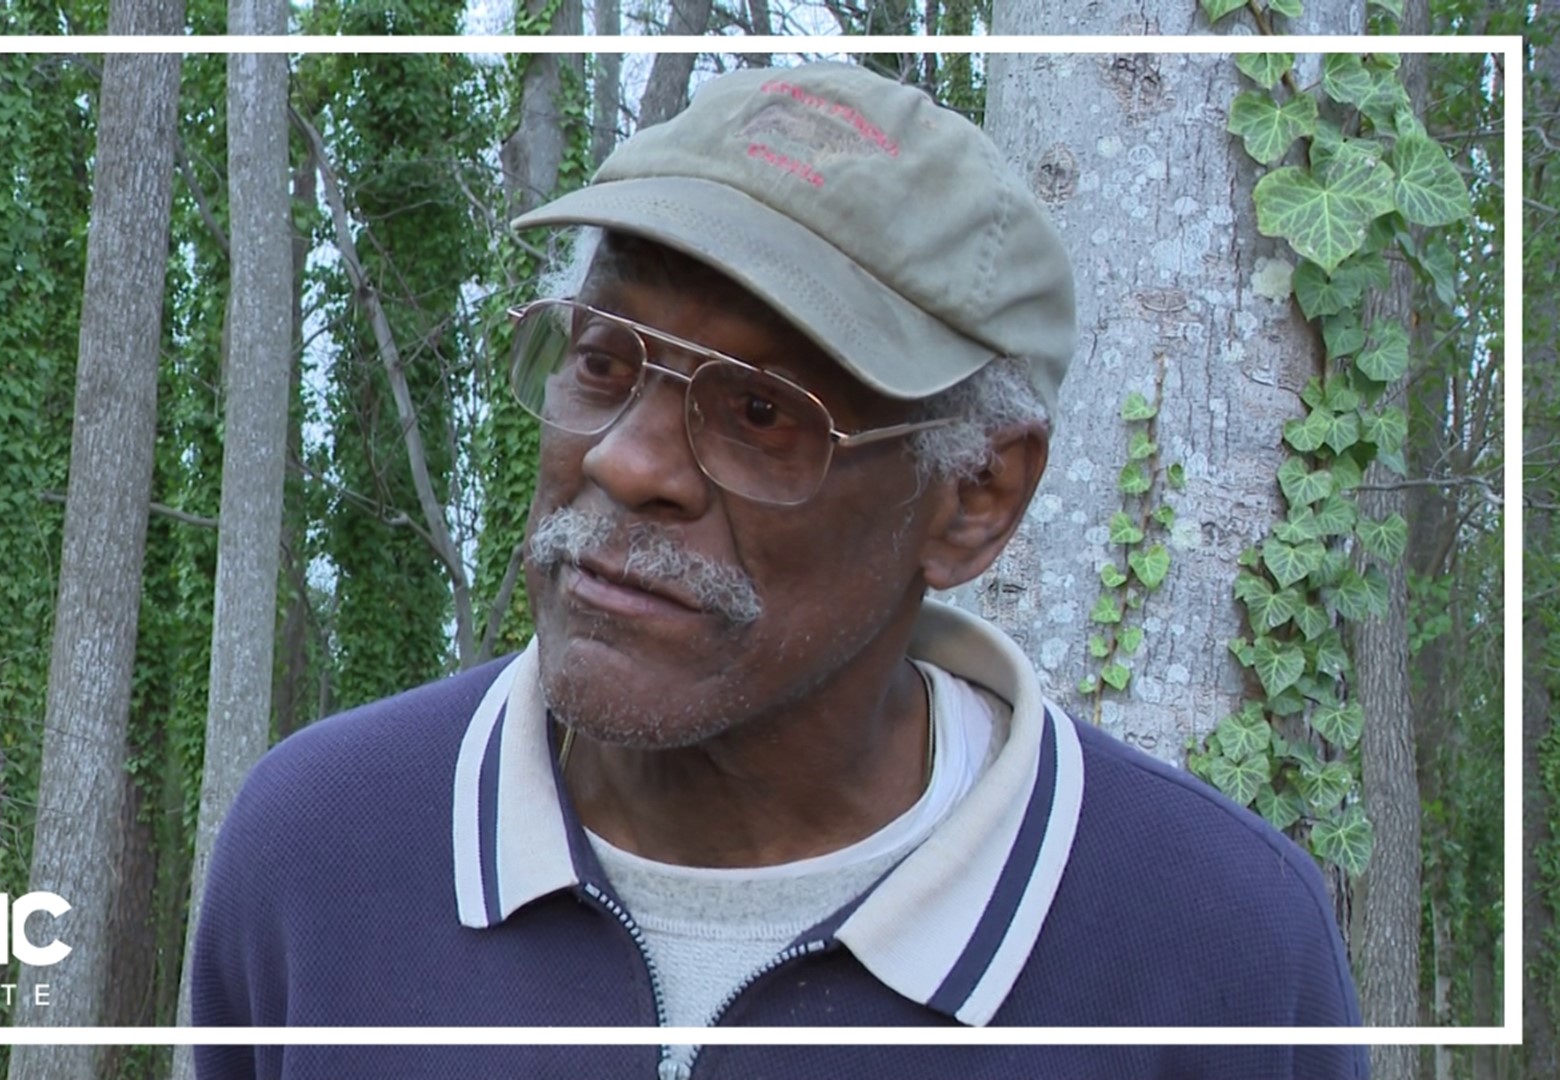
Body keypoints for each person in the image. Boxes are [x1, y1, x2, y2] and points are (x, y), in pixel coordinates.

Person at [189, 61, 1367, 1079]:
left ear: (975, 498)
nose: (627, 458)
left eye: (759, 411)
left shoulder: (1211, 945)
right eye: (603, 361)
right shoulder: (326, 848)